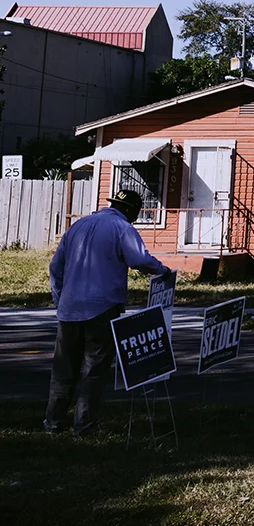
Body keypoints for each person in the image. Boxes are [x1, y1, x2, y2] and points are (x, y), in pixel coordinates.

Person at [45, 187, 175, 436]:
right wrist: (162, 270)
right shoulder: (121, 228)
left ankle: (53, 424)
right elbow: (138, 259)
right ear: (129, 209)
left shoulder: (78, 227)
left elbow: (55, 267)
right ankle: (84, 426)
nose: (135, 218)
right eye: (136, 212)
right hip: (102, 307)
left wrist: (60, 300)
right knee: (93, 370)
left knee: (63, 370)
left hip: (69, 310)